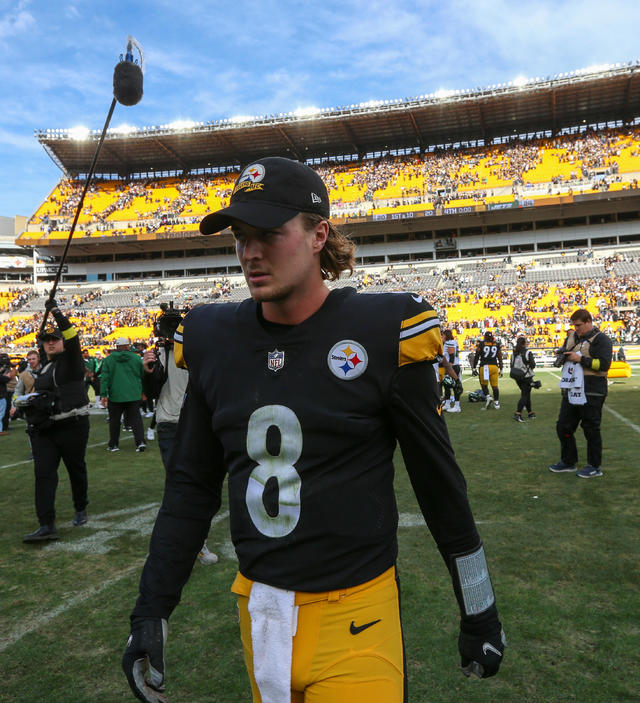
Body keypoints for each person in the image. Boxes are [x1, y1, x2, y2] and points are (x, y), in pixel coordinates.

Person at [122, 157, 505, 703]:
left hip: (358, 612)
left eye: (269, 235)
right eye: (240, 237)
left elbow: (440, 486)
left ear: (318, 234)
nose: (250, 253)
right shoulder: (211, 336)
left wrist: (479, 607)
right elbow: (189, 487)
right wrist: (151, 610)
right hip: (259, 610)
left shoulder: (379, 330)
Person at [142, 329, 218, 567]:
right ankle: (178, 546)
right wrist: (148, 371)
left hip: (198, 423)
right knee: (179, 487)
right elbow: (152, 392)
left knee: (199, 486)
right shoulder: (160, 354)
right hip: (170, 425)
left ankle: (194, 543)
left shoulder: (200, 351)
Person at [22, 300, 91, 542]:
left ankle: (80, 506)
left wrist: (57, 313)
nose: (50, 342)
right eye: (46, 340)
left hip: (73, 426)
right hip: (46, 429)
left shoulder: (72, 362)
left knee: (76, 469)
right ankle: (46, 524)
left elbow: (73, 339)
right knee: (43, 474)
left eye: (55, 339)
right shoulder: (43, 369)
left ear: (62, 342)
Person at [549, 308, 612, 478]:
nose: (576, 328)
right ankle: (569, 461)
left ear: (588, 321)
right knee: (563, 426)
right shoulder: (573, 337)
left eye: (579, 325)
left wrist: (581, 359)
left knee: (591, 428)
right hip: (572, 389)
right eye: (574, 325)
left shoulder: (602, 340)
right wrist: (562, 353)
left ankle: (594, 466)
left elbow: (604, 365)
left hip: (592, 390)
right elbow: (566, 352)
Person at [99, 337, 146, 452]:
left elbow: (105, 378)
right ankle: (140, 442)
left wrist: (103, 394)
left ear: (116, 347)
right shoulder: (136, 358)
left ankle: (113, 444)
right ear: (127, 346)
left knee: (115, 421)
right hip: (133, 394)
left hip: (116, 395)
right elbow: (142, 375)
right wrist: (142, 391)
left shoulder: (109, 360)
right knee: (136, 420)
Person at [471, 330, 503, 409]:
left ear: (485, 337)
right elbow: (499, 357)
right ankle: (496, 403)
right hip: (494, 367)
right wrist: (501, 368)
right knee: (495, 386)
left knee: (484, 385)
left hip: (485, 367)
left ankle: (488, 397)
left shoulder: (481, 344)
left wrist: (474, 367)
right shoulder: (496, 344)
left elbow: (477, 356)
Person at [510, 336, 537, 423]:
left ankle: (530, 412)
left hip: (517, 377)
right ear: (524, 343)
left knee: (526, 395)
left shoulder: (514, 353)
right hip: (526, 376)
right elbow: (533, 365)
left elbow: (511, 365)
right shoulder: (527, 352)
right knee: (525, 395)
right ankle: (518, 413)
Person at [442, 329, 463, 413]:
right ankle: (447, 404)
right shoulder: (453, 342)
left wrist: (448, 369)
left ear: (446, 335)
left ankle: (457, 406)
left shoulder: (449, 342)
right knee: (447, 385)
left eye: (443, 335)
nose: (442, 337)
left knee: (455, 386)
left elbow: (451, 356)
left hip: (453, 366)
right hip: (453, 366)